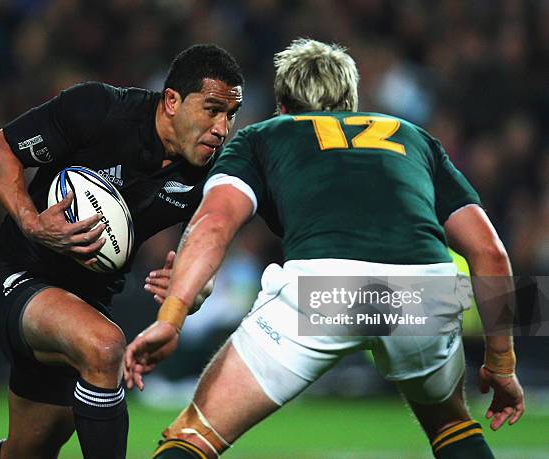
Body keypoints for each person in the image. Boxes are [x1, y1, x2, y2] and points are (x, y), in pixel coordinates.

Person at [124, 39, 524, 459]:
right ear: (351, 103)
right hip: (425, 294)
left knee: (194, 435)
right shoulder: (414, 137)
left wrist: (172, 316)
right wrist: (502, 364)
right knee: (451, 424)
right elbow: (491, 254)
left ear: (282, 106)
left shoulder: (265, 135)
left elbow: (214, 224)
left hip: (323, 291)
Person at [0, 44, 243, 459]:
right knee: (104, 347)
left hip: (85, 302)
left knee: (30, 450)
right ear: (172, 101)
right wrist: (32, 221)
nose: (222, 128)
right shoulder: (98, 109)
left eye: (230, 115)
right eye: (211, 110)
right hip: (12, 276)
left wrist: (191, 289)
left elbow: (201, 256)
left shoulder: (210, 175)